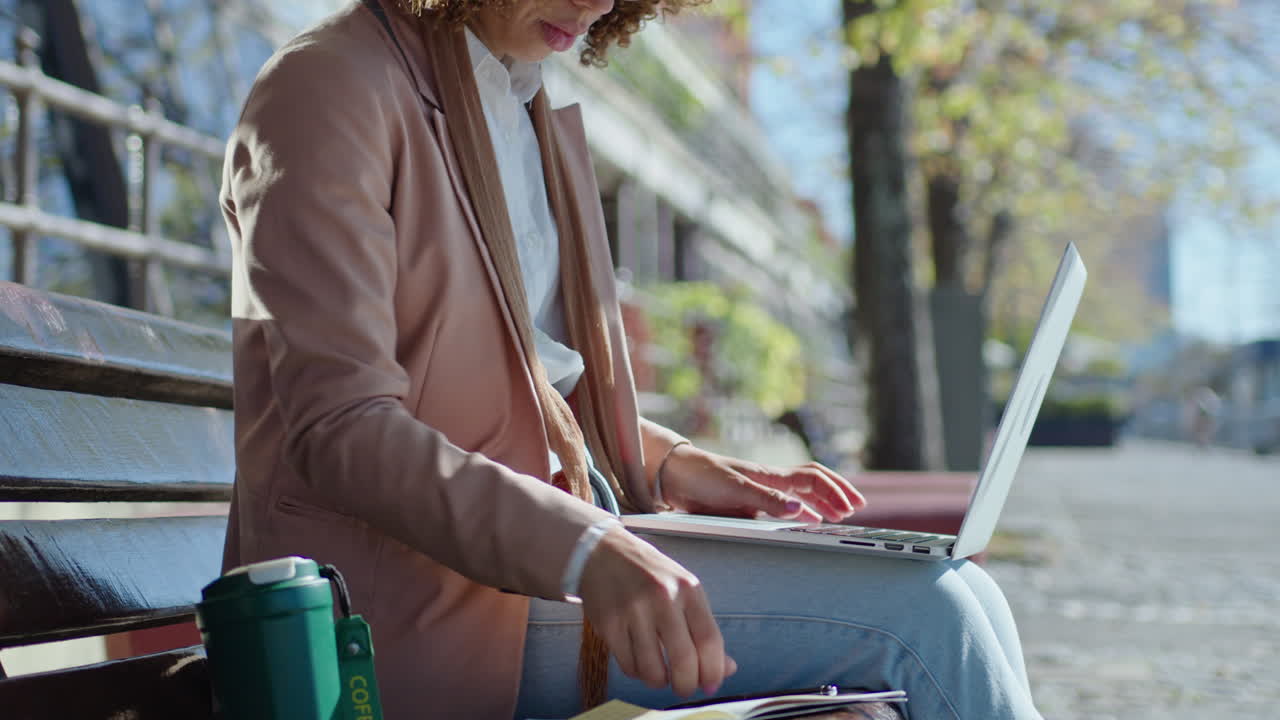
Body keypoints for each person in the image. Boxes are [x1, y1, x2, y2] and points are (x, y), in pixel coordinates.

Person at [220, 1, 1042, 718]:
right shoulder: (326, 88)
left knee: (969, 591)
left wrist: (680, 463)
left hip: (530, 571)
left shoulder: (517, 95)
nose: (598, 1)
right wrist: (586, 550)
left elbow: (527, 391)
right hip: (406, 611)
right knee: (929, 618)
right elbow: (340, 427)